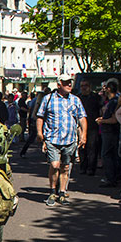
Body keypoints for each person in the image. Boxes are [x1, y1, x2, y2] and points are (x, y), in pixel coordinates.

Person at [37, 74, 87, 206]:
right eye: (65, 83)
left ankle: (62, 192)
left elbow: (82, 118)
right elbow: (40, 116)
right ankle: (52, 191)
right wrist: (40, 133)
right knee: (55, 165)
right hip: (52, 139)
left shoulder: (75, 100)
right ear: (59, 85)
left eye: (70, 82)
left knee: (65, 167)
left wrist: (84, 135)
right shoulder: (48, 99)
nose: (69, 85)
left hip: (69, 139)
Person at [98, 80, 121, 187]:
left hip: (110, 132)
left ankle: (111, 178)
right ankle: (112, 177)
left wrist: (102, 121)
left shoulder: (114, 102)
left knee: (107, 155)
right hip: (108, 132)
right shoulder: (110, 101)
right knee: (111, 154)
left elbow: (114, 119)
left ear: (108, 89)